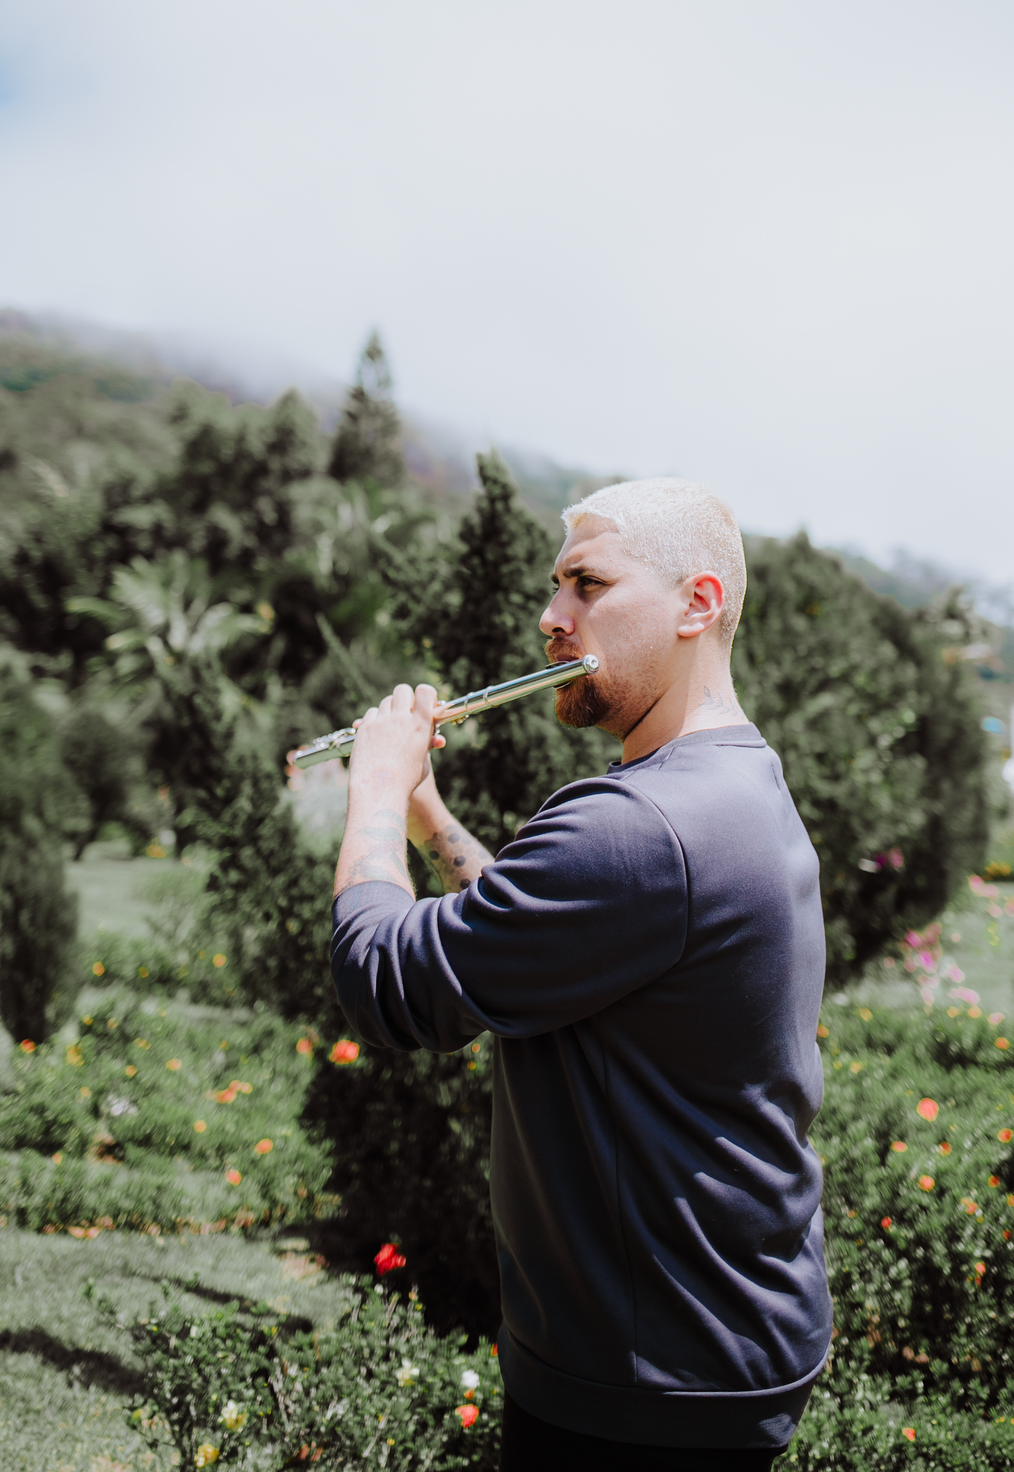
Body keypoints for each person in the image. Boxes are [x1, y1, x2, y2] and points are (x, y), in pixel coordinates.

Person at [330, 478, 831, 1471]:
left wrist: (375, 797)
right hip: (715, 1347)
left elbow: (389, 981)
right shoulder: (729, 785)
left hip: (643, 1384)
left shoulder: (636, 827)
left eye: (587, 586)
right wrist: (431, 816)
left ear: (698, 604)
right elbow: (516, 931)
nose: (551, 620)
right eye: (554, 589)